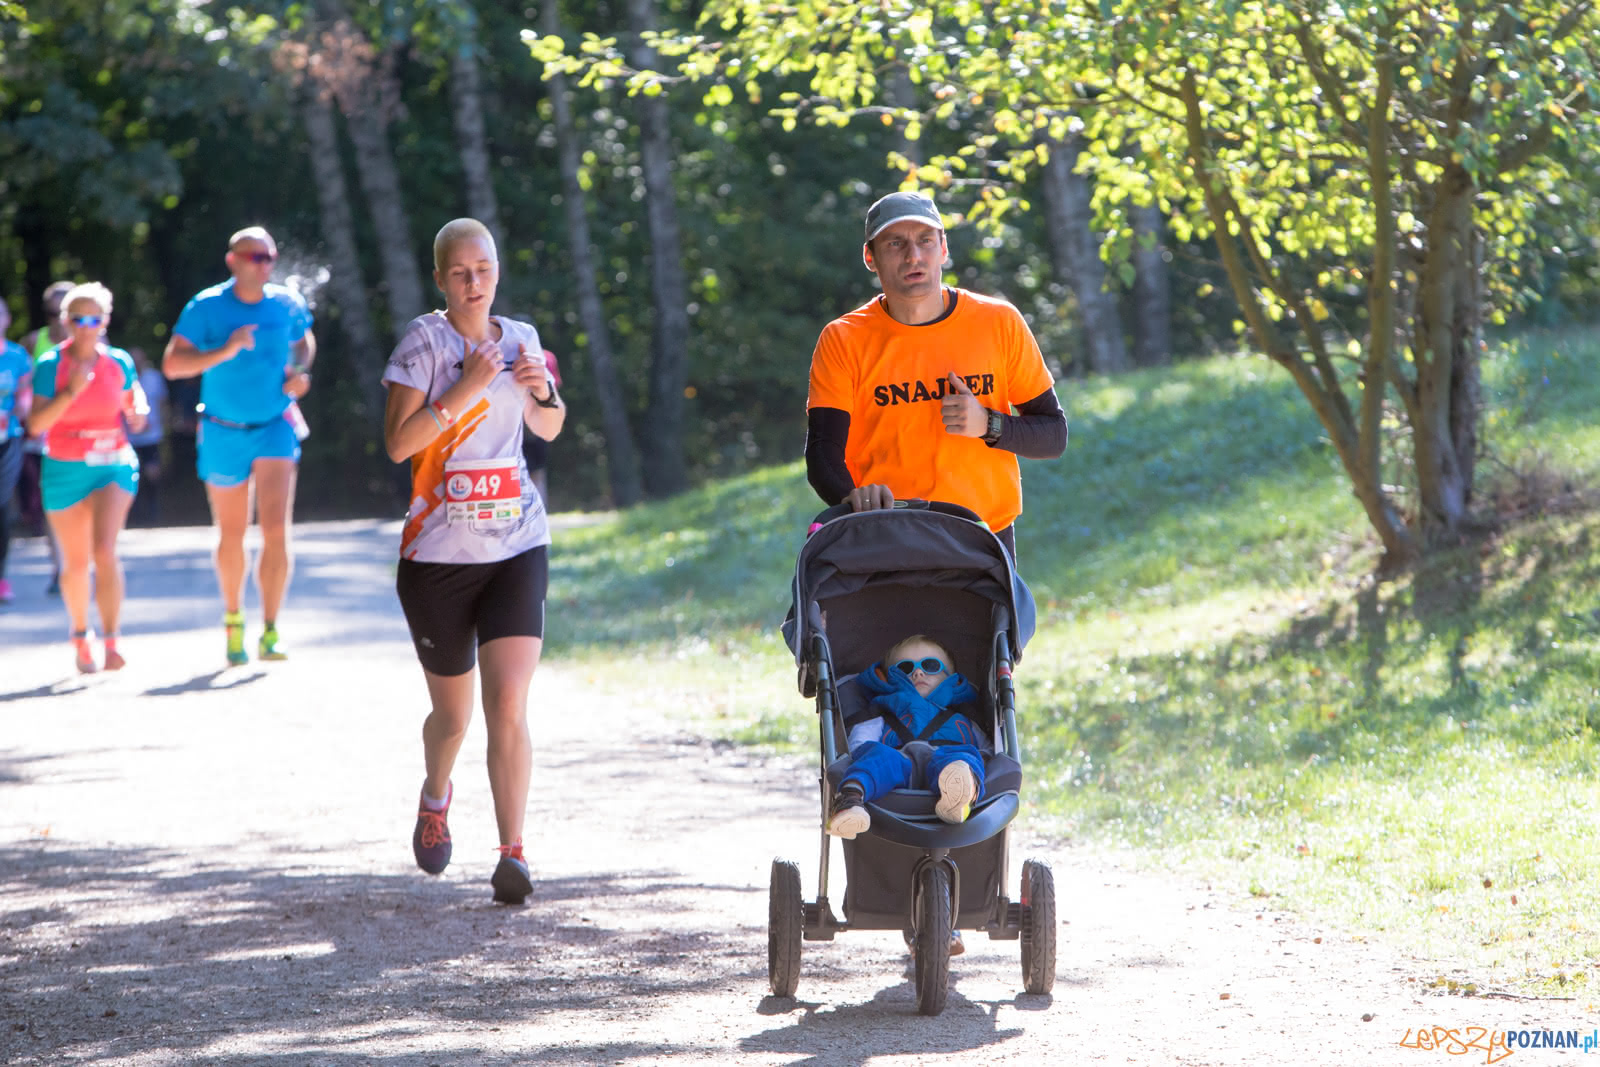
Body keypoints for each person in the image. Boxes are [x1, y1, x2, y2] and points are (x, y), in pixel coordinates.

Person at [382, 218, 566, 905]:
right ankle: (436, 794)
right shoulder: (423, 344)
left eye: (483, 268)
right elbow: (399, 444)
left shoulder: (521, 337)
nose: (473, 282)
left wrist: (539, 388)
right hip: (437, 559)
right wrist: (465, 386)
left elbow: (549, 424)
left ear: (497, 270)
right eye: (459, 272)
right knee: (454, 717)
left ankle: (513, 852)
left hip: (517, 543)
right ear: (440, 279)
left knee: (509, 702)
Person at [804, 190, 1069, 563]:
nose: (913, 255)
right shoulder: (843, 339)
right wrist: (851, 498)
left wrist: (988, 424)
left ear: (943, 249)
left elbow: (1053, 436)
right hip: (887, 535)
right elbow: (822, 453)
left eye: (925, 241)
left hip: (983, 538)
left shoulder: (998, 322)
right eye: (895, 244)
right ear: (870, 257)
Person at [163, 226, 315, 665]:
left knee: (275, 530)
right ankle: (234, 620)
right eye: (254, 257)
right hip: (222, 427)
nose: (263, 264)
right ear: (232, 260)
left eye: (269, 257)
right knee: (232, 534)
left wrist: (300, 372)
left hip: (275, 425)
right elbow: (173, 364)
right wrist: (224, 351)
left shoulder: (287, 303)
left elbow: (303, 341)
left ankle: (270, 629)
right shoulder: (207, 306)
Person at [25, 283, 148, 672]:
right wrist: (69, 394)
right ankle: (81, 634)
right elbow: (36, 425)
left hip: (113, 462)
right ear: (66, 322)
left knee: (105, 551)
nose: (85, 326)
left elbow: (133, 402)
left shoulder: (118, 362)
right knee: (75, 564)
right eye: (77, 318)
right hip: (64, 466)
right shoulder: (50, 365)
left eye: (93, 319)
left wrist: (138, 411)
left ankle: (112, 642)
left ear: (105, 322)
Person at [826, 634, 988, 841]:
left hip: (947, 762)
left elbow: (989, 750)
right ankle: (851, 801)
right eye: (905, 668)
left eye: (930, 665)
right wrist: (871, 756)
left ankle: (959, 795)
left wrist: (978, 762)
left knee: (965, 757)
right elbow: (859, 745)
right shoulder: (882, 711)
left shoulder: (965, 716)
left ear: (951, 677)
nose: (918, 672)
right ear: (890, 678)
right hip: (898, 765)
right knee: (879, 756)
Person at [20, 280, 73, 592]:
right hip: (44, 442)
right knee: (52, 507)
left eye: (66, 311)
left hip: (84, 440)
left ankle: (80, 564)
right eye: (53, 312)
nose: (59, 319)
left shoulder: (95, 342)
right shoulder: (32, 342)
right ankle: (59, 568)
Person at [0, 299, 33, 604]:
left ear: (7, 319)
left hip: (7, 440)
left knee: (2, 508)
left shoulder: (17, 356)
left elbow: (25, 397)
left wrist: (22, 407)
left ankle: (1, 577)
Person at [125, 347, 169, 527]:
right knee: (131, 475)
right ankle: (132, 513)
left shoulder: (154, 378)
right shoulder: (123, 377)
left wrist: (164, 428)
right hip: (129, 438)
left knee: (152, 473)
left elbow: (163, 403)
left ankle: (152, 509)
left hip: (152, 436)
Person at [520, 348, 562, 507]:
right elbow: (554, 388)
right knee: (537, 473)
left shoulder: (545, 357)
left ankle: (536, 511)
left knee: (534, 470)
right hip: (538, 420)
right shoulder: (546, 356)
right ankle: (539, 510)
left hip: (527, 422)